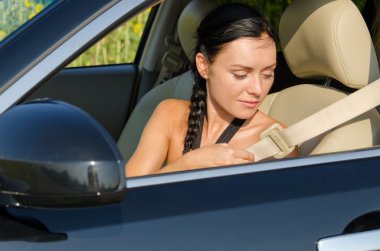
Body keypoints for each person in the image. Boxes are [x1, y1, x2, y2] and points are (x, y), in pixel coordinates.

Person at [125, 3, 297, 177]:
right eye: (240, 74)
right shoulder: (169, 114)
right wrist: (186, 165)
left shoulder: (275, 142)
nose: (257, 89)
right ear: (203, 66)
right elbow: (126, 195)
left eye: (267, 74)